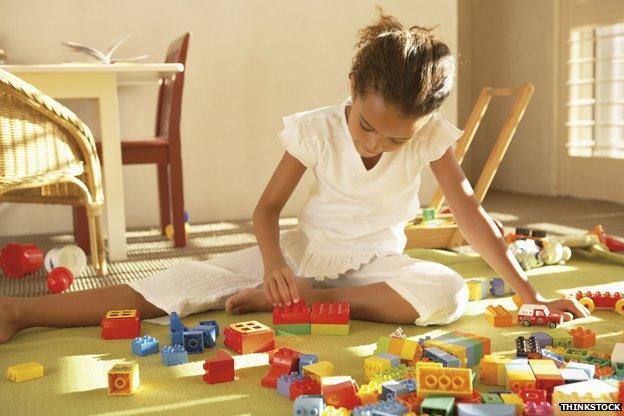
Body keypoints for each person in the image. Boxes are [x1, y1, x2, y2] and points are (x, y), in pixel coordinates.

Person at [0, 10, 588, 344]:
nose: (372, 143)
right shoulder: (314, 130)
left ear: (425, 123)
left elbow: (469, 214)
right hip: (301, 253)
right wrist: (277, 264)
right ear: (352, 87)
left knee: (449, 291)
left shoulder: (432, 138)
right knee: (179, 282)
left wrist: (532, 296)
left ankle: (316, 302)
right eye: (365, 125)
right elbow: (264, 211)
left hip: (378, 260)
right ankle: (20, 313)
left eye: (394, 138)